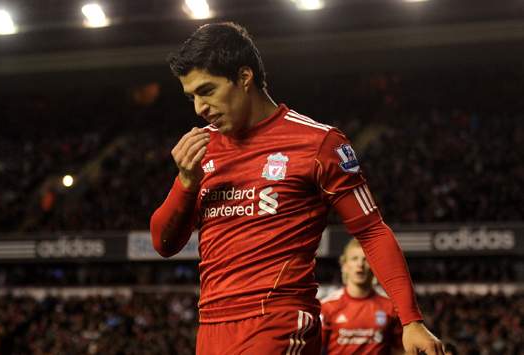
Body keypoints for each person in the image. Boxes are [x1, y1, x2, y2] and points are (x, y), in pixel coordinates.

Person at [151, 22, 444, 354]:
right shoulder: (204, 150)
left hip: (278, 322)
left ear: (244, 77)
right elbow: (164, 244)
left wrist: (411, 320)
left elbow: (372, 231)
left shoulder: (318, 144)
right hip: (211, 328)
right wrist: (185, 183)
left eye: (207, 91)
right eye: (191, 97)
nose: (199, 108)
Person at [321, 239, 404, 354]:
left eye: (366, 260)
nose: (360, 264)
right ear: (344, 266)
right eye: (354, 259)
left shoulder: (390, 307)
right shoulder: (327, 306)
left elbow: (401, 350)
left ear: (374, 266)